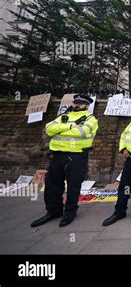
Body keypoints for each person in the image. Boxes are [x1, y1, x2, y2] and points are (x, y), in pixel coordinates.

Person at [31, 94, 98, 228]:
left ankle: (69, 212)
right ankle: (53, 211)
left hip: (76, 156)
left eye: (81, 103)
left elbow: (83, 132)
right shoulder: (63, 116)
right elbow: (49, 129)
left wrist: (61, 129)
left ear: (87, 105)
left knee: (73, 185)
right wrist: (71, 127)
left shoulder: (91, 119)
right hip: (57, 155)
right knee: (52, 184)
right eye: (76, 102)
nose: (77, 105)